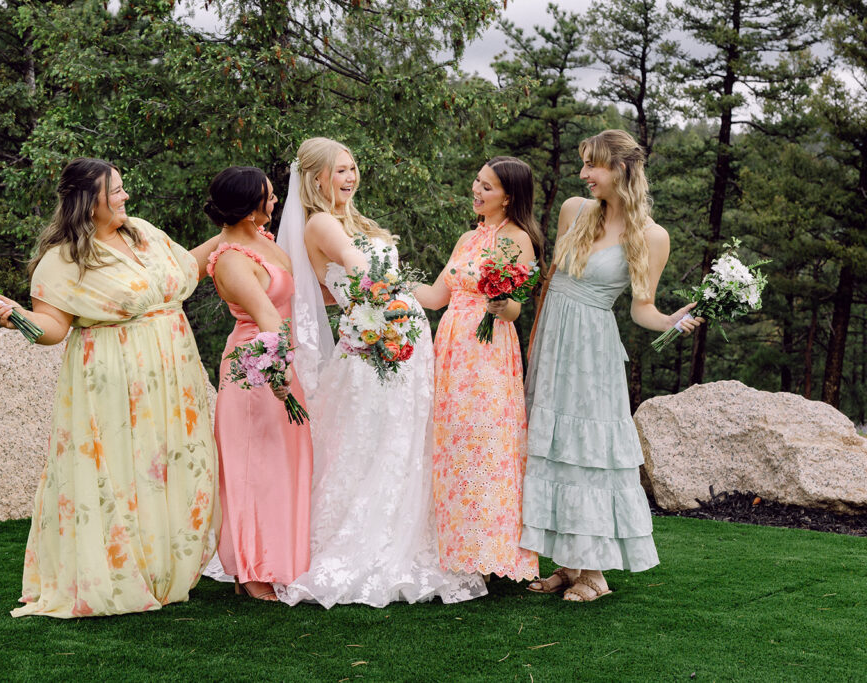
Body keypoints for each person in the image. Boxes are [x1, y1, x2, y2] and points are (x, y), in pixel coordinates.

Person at [0, 157, 221, 618]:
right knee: (122, 471)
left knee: (170, 464)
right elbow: (53, 328)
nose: (125, 197)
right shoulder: (64, 260)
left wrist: (235, 237)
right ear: (87, 201)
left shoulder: (144, 232)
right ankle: (117, 574)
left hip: (174, 373)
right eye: (115, 191)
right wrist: (17, 317)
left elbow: (185, 272)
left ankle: (163, 569)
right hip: (115, 380)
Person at [275, 137, 487, 607]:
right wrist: (382, 310)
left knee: (404, 439)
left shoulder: (353, 221)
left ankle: (404, 535)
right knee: (373, 440)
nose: (350, 178)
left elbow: (341, 288)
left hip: (399, 337)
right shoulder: (322, 223)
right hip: (377, 346)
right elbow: (364, 275)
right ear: (315, 179)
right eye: (340, 171)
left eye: (353, 169)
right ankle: (365, 544)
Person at [520, 130, 702, 602]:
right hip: (553, 344)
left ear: (620, 169)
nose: (583, 175)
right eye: (583, 165)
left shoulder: (651, 236)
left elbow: (642, 308)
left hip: (592, 354)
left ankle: (594, 574)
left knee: (589, 455)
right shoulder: (574, 211)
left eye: (592, 166)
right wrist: (533, 342)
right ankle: (567, 565)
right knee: (553, 451)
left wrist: (669, 319)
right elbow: (550, 284)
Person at [414, 156, 542, 582]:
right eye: (477, 181)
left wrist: (502, 303)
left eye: (487, 186)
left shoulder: (519, 238)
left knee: (484, 442)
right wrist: (386, 281)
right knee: (450, 442)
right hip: (451, 347)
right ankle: (452, 547)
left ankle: (486, 554)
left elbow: (517, 308)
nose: (477, 190)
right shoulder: (467, 238)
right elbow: (435, 296)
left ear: (509, 196)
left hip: (487, 353)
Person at [203, 166, 313, 602]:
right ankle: (249, 570)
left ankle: (276, 558)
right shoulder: (231, 258)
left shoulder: (261, 242)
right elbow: (267, 318)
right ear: (252, 208)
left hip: (280, 360)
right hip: (254, 370)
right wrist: (282, 374)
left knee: (282, 463)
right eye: (268, 196)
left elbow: (292, 296)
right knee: (253, 469)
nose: (275, 200)